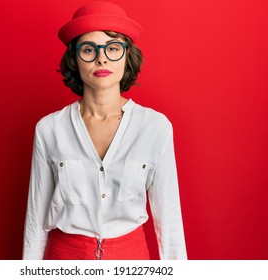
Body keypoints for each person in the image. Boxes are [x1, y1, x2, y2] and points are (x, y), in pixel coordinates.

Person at [22, 1, 187, 260]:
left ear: (127, 56)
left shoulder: (155, 128)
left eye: (113, 48)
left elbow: (169, 219)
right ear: (75, 59)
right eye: (89, 49)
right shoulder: (49, 129)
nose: (102, 58)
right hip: (64, 260)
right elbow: (35, 220)